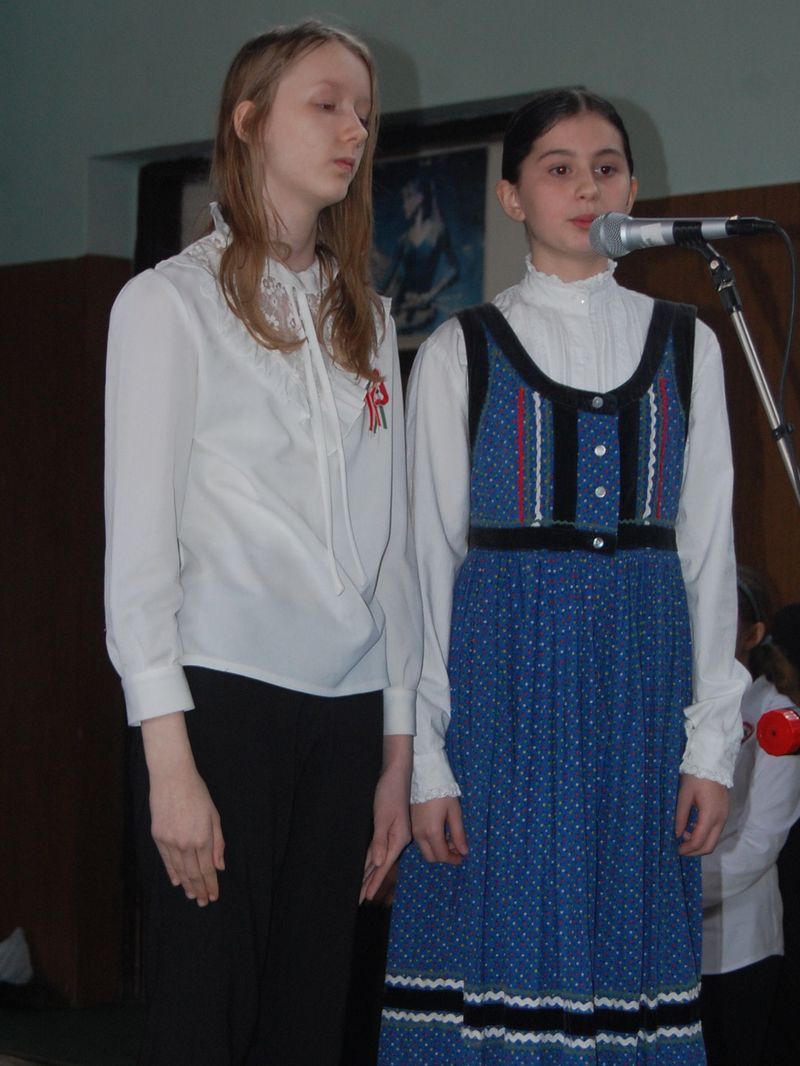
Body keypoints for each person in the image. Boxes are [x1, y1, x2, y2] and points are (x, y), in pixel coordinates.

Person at [378, 88, 747, 1064]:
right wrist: (428, 762)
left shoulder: (690, 344)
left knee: (626, 959)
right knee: (500, 946)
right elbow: (424, 567)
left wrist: (711, 744)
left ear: (633, 187)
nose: (587, 187)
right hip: (504, 701)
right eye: (558, 168)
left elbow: (709, 555)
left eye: (606, 168)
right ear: (511, 197)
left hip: (639, 696)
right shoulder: (460, 349)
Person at [104, 21, 420, 1066]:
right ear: (248, 120)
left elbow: (393, 553)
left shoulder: (371, 320)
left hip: (348, 716)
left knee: (309, 1024)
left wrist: (396, 754)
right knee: (205, 1017)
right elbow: (138, 556)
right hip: (220, 704)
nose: (353, 130)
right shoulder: (166, 304)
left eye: (362, 112)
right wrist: (169, 764)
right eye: (325, 105)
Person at [701, 576, 800, 1065]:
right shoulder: (682, 707)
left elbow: (762, 838)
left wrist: (682, 887)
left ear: (753, 634)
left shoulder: (777, 714)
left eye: (725, 620)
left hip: (741, 944)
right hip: (675, 943)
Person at [380, 171, 460, 333]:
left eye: (409, 196)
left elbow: (454, 269)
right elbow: (391, 280)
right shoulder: (404, 240)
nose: (405, 204)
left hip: (423, 308)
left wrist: (430, 295)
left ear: (421, 197)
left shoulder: (437, 232)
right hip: (401, 308)